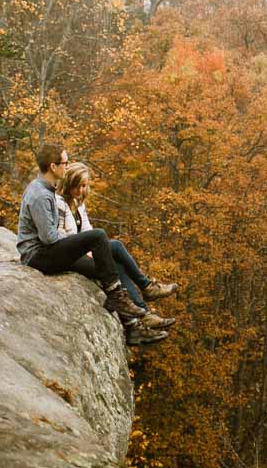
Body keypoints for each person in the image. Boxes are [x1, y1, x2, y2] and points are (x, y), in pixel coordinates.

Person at [15, 142, 167, 347]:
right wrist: (80, 247)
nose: (67, 167)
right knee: (98, 236)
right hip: (38, 256)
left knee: (107, 265)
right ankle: (120, 297)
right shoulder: (41, 195)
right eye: (65, 163)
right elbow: (49, 238)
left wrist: (80, 248)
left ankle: (133, 327)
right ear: (53, 166)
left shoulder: (44, 189)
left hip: (46, 253)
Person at [56, 161, 178, 331]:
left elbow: (87, 230)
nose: (81, 190)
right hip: (70, 256)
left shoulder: (79, 204)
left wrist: (92, 249)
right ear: (69, 183)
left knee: (115, 246)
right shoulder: (59, 203)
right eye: (78, 186)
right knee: (114, 262)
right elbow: (60, 235)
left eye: (84, 186)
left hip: (82, 251)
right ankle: (145, 306)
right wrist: (87, 250)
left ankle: (146, 292)